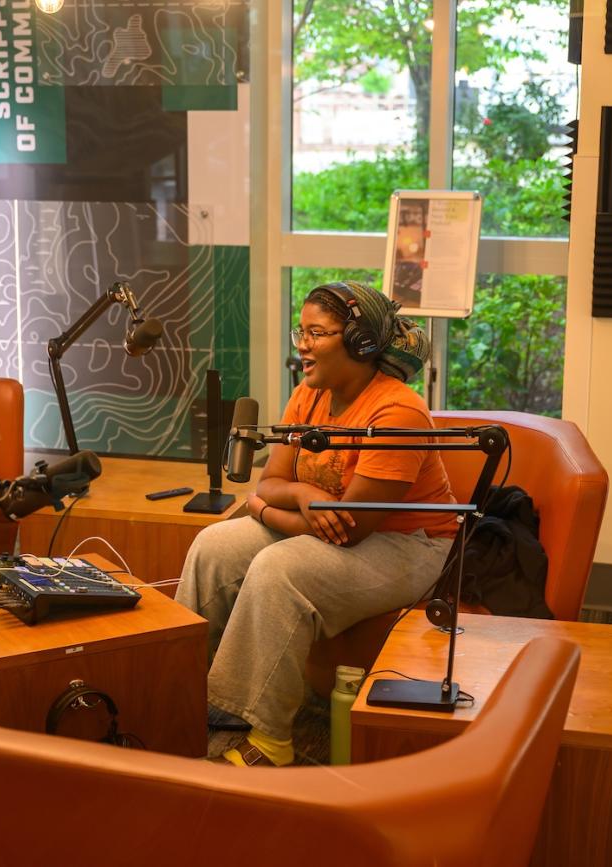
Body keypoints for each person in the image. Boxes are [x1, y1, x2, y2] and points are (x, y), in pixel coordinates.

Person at [175, 281, 458, 767]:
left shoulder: (397, 412)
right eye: (299, 332)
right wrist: (302, 496)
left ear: (361, 343)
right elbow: (274, 481)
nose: (302, 344)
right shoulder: (308, 396)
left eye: (317, 333)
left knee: (280, 569)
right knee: (214, 546)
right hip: (319, 523)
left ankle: (271, 739)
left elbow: (349, 529)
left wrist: (264, 510)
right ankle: (183, 697)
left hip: (410, 545)